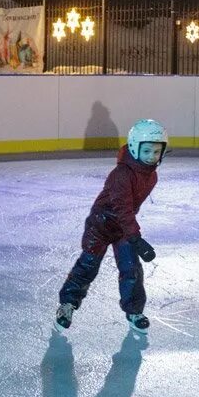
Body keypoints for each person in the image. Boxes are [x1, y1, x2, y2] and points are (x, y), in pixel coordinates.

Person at [56, 119, 166, 332]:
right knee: (88, 266)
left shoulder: (151, 175)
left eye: (156, 151)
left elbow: (129, 211)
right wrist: (136, 238)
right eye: (146, 151)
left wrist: (131, 235)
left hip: (123, 228)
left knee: (131, 269)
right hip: (101, 225)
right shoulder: (121, 175)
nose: (152, 156)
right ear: (134, 148)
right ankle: (67, 304)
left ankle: (134, 310)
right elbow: (122, 208)